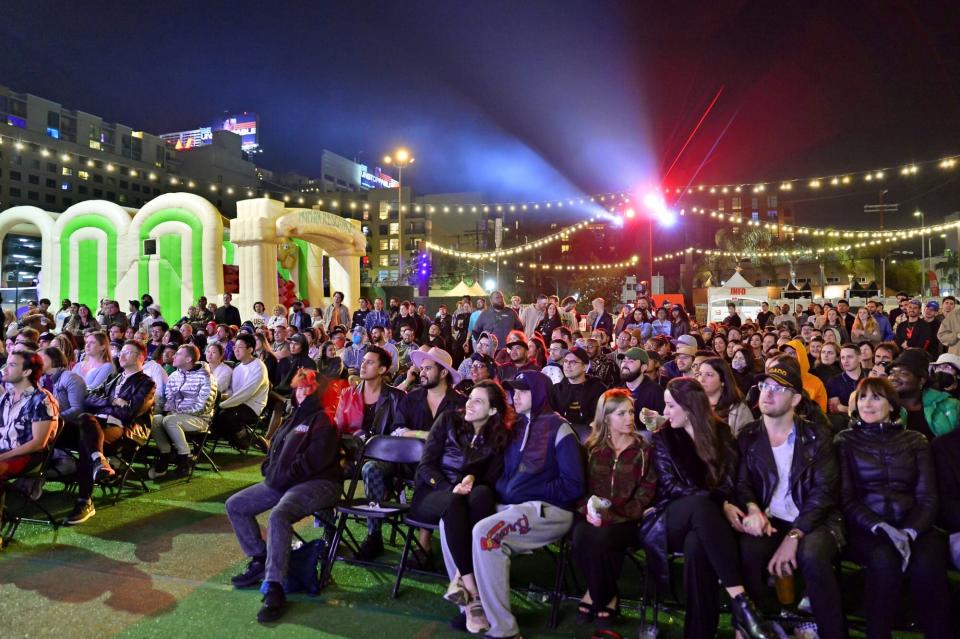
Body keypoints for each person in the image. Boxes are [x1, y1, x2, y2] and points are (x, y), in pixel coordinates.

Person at [639, 377, 780, 639]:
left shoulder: (722, 434)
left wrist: (722, 502)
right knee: (700, 506)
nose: (665, 412)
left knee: (697, 545)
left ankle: (699, 633)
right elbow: (671, 487)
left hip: (707, 525)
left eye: (670, 406)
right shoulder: (664, 438)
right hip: (670, 517)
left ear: (690, 406)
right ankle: (742, 603)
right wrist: (721, 503)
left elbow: (729, 482)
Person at [732, 358, 846, 639]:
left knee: (812, 554)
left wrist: (794, 536)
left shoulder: (816, 435)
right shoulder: (748, 435)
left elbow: (823, 494)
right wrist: (752, 508)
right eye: (765, 385)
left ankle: (832, 630)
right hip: (771, 519)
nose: (767, 393)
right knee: (748, 549)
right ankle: (764, 625)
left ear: (795, 399)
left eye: (778, 388)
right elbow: (742, 483)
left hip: (814, 520)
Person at [467, 371, 585, 637]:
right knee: (455, 518)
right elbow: (501, 471)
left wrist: (530, 490)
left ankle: (504, 630)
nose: (514, 396)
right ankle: (473, 606)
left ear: (540, 393)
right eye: (512, 391)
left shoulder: (559, 428)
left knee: (486, 534)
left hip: (549, 510)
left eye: (522, 391)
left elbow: (574, 485)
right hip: (513, 507)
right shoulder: (516, 425)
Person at [835, 377, 954, 639]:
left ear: (891, 405)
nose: (867, 404)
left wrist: (909, 531)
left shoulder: (915, 441)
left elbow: (927, 497)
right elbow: (847, 499)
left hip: (915, 525)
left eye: (876, 397)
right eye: (862, 397)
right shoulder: (845, 441)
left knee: (927, 563)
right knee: (884, 561)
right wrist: (882, 527)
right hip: (867, 528)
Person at [226, 369, 343, 623]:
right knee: (236, 505)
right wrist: (269, 468)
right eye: (299, 388)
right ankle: (261, 558)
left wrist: (281, 475)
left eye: (308, 388)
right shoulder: (292, 418)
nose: (302, 392)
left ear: (316, 391)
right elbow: (274, 453)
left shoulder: (323, 419)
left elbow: (313, 462)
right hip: (283, 482)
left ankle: (274, 588)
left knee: (279, 516)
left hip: (318, 484)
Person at [354, 347, 465, 562]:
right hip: (405, 462)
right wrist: (429, 435)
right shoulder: (412, 398)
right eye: (421, 368)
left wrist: (421, 437)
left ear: (443, 373)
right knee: (371, 468)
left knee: (429, 472)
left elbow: (459, 439)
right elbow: (397, 431)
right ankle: (373, 534)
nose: (421, 372)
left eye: (427, 368)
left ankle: (424, 542)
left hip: (440, 466)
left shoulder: (459, 403)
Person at [419, 381, 511, 620]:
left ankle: (461, 576)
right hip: (434, 491)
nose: (469, 404)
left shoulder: (497, 436)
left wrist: (470, 478)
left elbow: (491, 477)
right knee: (455, 502)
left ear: (492, 411)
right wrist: (451, 487)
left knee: (482, 493)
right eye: (470, 398)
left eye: (478, 401)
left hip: (469, 496)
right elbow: (425, 467)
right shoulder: (448, 421)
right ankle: (472, 587)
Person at [571, 389, 656, 626]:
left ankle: (596, 594)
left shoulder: (643, 449)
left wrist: (617, 515)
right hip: (591, 516)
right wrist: (588, 510)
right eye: (622, 413)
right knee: (580, 536)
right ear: (606, 418)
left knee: (604, 537)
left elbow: (647, 490)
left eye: (631, 412)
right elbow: (579, 485)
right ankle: (606, 593)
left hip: (628, 521)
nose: (630, 418)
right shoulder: (591, 448)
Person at [66, 340, 156, 525]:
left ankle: (85, 500)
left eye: (128, 352)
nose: (121, 355)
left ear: (141, 357)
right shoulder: (113, 378)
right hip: (98, 425)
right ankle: (98, 461)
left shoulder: (147, 383)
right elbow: (89, 398)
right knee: (81, 427)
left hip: (126, 431)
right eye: (121, 351)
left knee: (86, 433)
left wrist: (109, 405)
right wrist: (114, 401)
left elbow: (129, 413)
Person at [149, 344, 217, 479]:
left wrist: (177, 412)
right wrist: (164, 408)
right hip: (176, 417)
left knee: (170, 420)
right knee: (155, 419)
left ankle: (184, 458)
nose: (174, 356)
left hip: (200, 419)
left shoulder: (206, 377)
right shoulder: (174, 376)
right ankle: (165, 453)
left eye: (178, 354)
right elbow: (169, 399)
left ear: (188, 359)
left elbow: (204, 406)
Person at [0, 351, 58, 484]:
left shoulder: (42, 400)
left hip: (27, 456)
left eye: (12, 365)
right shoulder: (6, 397)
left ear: (26, 372)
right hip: (4, 450)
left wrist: (2, 456)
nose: (5, 369)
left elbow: (38, 443)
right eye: (6, 364)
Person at [211, 334, 270, 450]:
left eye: (240, 347)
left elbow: (246, 393)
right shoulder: (238, 368)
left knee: (223, 417)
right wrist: (221, 399)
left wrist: (222, 404)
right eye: (234, 347)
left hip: (252, 406)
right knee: (214, 416)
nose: (236, 350)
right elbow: (233, 392)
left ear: (250, 349)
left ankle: (247, 439)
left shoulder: (258, 367)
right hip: (237, 403)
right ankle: (240, 439)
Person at [887, 348, 959, 439]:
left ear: (921, 380)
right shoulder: (883, 406)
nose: (893, 378)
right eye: (891, 373)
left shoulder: (949, 406)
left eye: (903, 373)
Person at [549, 346, 607, 428]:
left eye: (573, 362)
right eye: (565, 361)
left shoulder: (598, 389)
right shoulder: (556, 389)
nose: (567, 365)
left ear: (585, 367)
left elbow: (602, 418)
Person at [695, 357, 753, 435]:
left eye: (709, 375)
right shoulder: (694, 404)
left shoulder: (738, 410)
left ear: (723, 380)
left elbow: (747, 442)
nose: (701, 379)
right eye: (699, 374)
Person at [616, 347, 664, 424]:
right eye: (624, 360)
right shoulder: (617, 391)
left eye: (631, 361)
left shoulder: (656, 392)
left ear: (643, 368)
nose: (625, 364)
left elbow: (662, 426)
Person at [40, 346, 86, 425]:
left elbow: (77, 409)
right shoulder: (41, 379)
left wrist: (53, 420)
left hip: (68, 426)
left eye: (40, 357)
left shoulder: (71, 378)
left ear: (53, 358)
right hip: (45, 424)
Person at [779, 338, 828, 413]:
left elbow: (821, 414)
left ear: (801, 354)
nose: (788, 357)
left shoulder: (816, 383)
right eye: (785, 354)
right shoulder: (778, 380)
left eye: (792, 353)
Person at [825, 343, 865, 415]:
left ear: (859, 358)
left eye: (849, 357)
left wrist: (843, 408)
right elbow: (834, 409)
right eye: (843, 357)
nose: (845, 361)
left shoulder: (869, 376)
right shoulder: (834, 381)